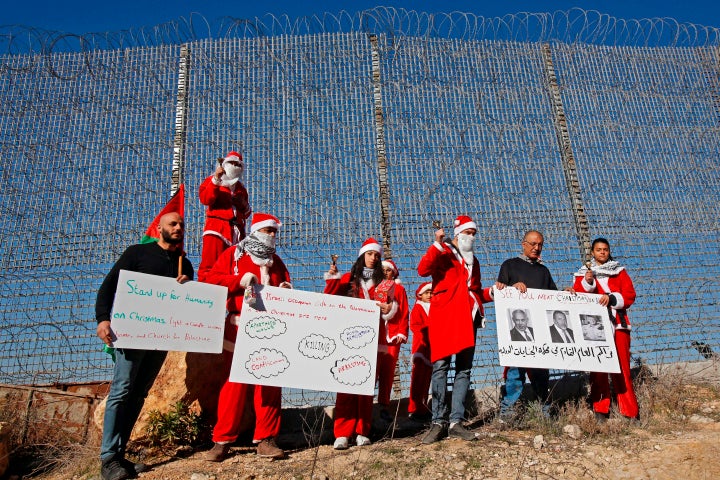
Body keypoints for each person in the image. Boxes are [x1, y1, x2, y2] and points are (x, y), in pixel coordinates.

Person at [95, 212, 193, 480]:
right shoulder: (137, 253)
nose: (178, 228)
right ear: (159, 228)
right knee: (122, 390)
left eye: (181, 225)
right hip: (131, 334)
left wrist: (188, 287)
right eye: (172, 224)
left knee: (140, 393)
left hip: (160, 338)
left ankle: (119, 454)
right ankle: (108, 459)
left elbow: (188, 305)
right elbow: (109, 286)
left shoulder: (185, 264)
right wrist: (103, 319)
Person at [204, 213, 292, 462]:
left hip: (270, 329)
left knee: (269, 383)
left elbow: (286, 285)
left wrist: (285, 289)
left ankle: (266, 439)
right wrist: (237, 281)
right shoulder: (234, 255)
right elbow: (210, 278)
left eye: (275, 232)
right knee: (234, 385)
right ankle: (222, 440)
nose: (272, 236)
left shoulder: (277, 262)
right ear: (255, 231)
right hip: (238, 325)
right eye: (267, 231)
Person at [417, 216, 494, 444]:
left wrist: (494, 293)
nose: (471, 237)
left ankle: (456, 422)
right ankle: (438, 421)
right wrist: (437, 244)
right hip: (445, 317)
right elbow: (423, 270)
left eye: (474, 233)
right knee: (440, 366)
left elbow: (475, 292)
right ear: (458, 233)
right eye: (468, 232)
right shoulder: (445, 253)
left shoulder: (474, 262)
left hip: (468, 319)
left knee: (464, 369)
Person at [324, 238, 394, 450]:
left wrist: (388, 308)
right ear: (362, 256)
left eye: (377, 255)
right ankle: (343, 433)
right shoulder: (348, 278)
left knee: (365, 386)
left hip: (373, 338)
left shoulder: (384, 283)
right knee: (345, 384)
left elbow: (391, 308)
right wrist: (333, 278)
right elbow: (329, 298)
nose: (373, 258)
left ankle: (362, 430)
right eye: (370, 254)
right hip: (349, 337)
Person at [495, 230, 558, 421]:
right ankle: (507, 411)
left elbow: (554, 297)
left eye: (540, 244)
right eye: (532, 244)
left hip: (539, 331)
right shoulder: (510, 265)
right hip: (518, 330)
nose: (536, 248)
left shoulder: (543, 271)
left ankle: (544, 412)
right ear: (523, 244)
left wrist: (567, 293)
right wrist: (512, 289)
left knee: (541, 373)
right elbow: (500, 290)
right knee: (515, 371)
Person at [573, 237, 638, 421]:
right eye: (599, 249)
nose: (602, 252)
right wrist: (588, 283)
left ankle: (630, 411)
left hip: (618, 325)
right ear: (592, 252)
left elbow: (630, 294)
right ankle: (600, 408)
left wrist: (611, 298)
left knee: (622, 367)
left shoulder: (619, 272)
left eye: (605, 249)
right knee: (598, 366)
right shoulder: (583, 274)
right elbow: (580, 295)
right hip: (595, 328)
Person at [198, 151, 252, 282]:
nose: (235, 166)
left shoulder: (240, 188)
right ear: (225, 164)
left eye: (238, 164)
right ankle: (205, 289)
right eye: (231, 163)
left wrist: (243, 204)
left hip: (236, 232)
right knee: (210, 265)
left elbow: (247, 213)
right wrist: (216, 180)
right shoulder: (213, 180)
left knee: (233, 265)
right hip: (217, 229)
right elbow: (205, 199)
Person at [376, 259, 409, 421]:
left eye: (388, 270)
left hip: (392, 336)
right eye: (382, 269)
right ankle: (365, 404)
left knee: (388, 372)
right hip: (376, 334)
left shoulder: (399, 289)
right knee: (372, 371)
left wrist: (402, 332)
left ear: (393, 273)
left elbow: (404, 312)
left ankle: (384, 405)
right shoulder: (373, 287)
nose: (385, 272)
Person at [407, 282, 433, 422]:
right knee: (417, 380)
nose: (429, 295)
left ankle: (422, 407)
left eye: (431, 292)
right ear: (420, 295)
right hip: (421, 348)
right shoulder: (418, 308)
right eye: (426, 292)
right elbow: (415, 326)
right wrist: (427, 335)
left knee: (426, 380)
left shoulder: (435, 308)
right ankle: (414, 408)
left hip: (432, 349)